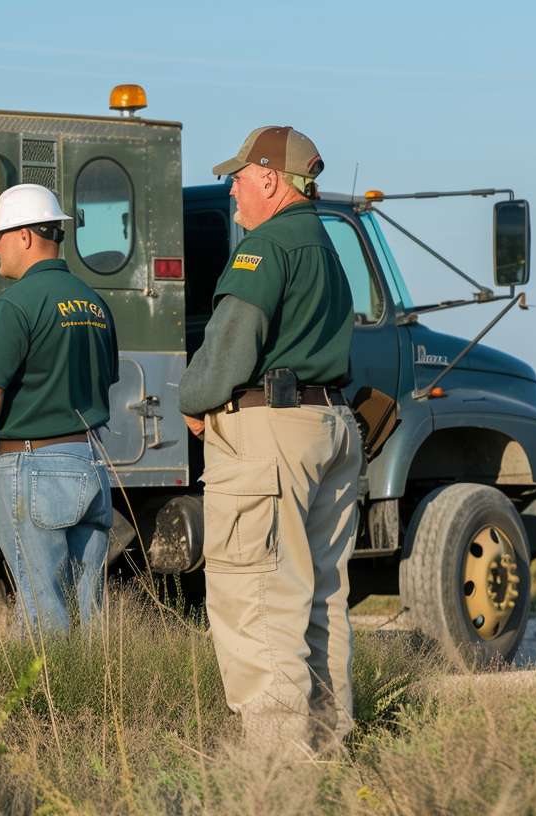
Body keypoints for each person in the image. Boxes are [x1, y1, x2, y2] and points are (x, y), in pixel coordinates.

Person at [179, 125, 363, 756]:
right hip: (330, 425)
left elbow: (230, 344)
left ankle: (283, 770)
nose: (231, 187)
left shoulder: (266, 247)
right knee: (320, 597)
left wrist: (194, 399)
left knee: (257, 596)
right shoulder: (324, 245)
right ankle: (331, 745)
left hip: (272, 437)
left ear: (269, 178)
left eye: (238, 175)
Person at [0, 184, 119, 633]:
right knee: (87, 608)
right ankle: (96, 698)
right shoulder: (94, 302)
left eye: (1, 236)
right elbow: (106, 380)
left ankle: (42, 702)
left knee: (41, 606)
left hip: (34, 465)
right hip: (90, 462)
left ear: (26, 237)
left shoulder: (16, 304)